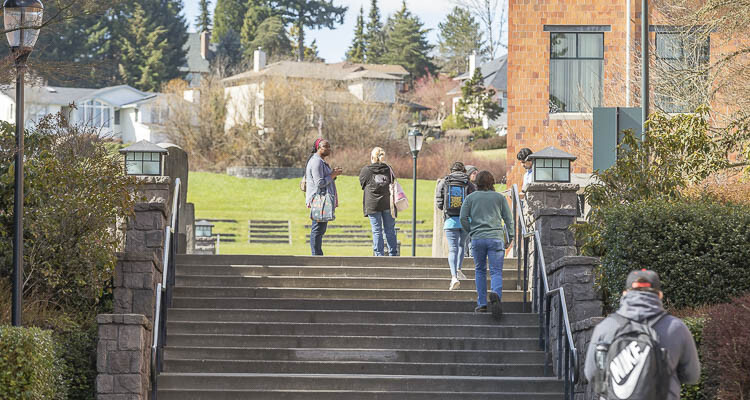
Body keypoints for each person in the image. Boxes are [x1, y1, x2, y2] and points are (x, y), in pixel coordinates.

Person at [584, 269, 700, 400]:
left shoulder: (605, 327)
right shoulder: (676, 328)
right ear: (660, 295)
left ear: (625, 293)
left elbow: (591, 374)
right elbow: (692, 376)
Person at [460, 170, 514, 318]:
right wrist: (511, 236)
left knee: (480, 271)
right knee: (496, 271)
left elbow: (463, 218)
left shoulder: (471, 198)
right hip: (496, 238)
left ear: (477, 182)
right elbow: (509, 219)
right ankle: (496, 296)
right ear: (492, 182)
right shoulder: (499, 198)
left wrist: (471, 231)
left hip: (478, 238)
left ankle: (482, 303)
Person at [436, 162, 476, 290]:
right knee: (462, 246)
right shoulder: (468, 183)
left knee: (453, 249)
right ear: (464, 171)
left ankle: (453, 277)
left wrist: (444, 209)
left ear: (451, 170)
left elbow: (439, 200)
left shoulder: (445, 181)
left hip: (450, 220)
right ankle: (459, 269)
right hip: (465, 220)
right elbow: (473, 200)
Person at [359, 147, 398, 256]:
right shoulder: (389, 169)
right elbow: (393, 181)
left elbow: (362, 184)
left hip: (372, 204)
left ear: (372, 157)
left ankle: (379, 255)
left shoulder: (366, 170)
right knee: (390, 230)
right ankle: (393, 254)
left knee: (377, 230)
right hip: (388, 203)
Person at [305, 138, 342, 256]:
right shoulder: (316, 162)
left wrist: (332, 175)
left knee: (321, 229)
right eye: (326, 146)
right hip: (318, 200)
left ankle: (318, 254)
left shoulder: (321, 161)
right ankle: (316, 256)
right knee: (317, 229)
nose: (329, 149)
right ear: (318, 148)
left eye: (329, 146)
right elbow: (319, 182)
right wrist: (333, 174)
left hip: (323, 200)